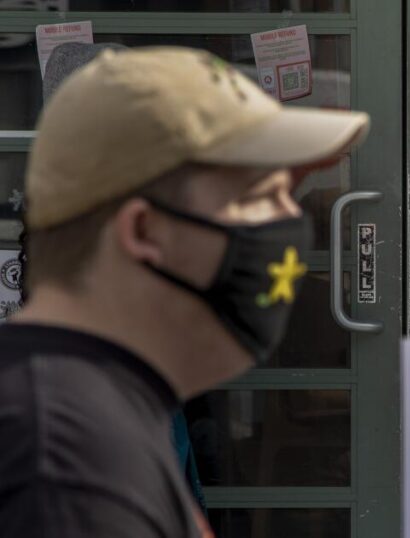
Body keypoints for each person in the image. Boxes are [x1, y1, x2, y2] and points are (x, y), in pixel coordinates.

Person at [0, 46, 369, 537]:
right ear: (146, 232)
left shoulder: (93, 408)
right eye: (258, 197)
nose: (287, 222)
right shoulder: (68, 465)